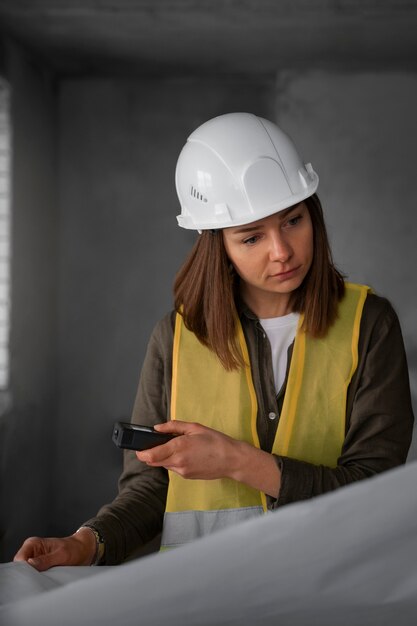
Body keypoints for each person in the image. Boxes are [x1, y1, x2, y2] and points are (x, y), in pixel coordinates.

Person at [14, 112, 414, 570]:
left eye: (293, 220)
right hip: (207, 595)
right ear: (217, 245)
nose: (281, 250)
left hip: (332, 588)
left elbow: (375, 489)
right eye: (251, 237)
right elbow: (151, 487)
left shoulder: (369, 324)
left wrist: (237, 461)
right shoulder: (176, 338)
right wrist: (86, 543)